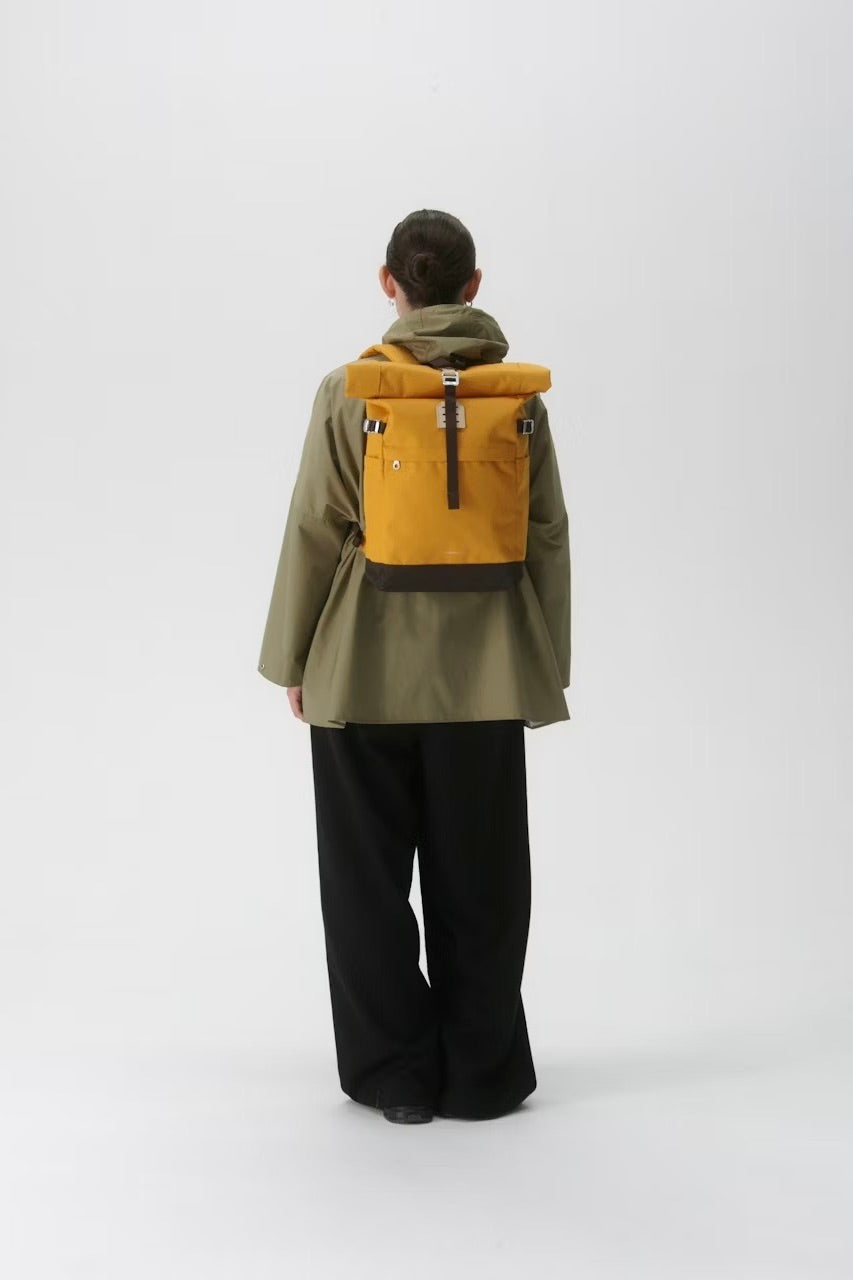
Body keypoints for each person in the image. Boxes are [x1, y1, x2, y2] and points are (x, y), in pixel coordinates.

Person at [257, 209, 571, 1124]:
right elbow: (545, 533)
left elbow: (315, 525)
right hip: (488, 671)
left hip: (361, 667)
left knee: (365, 885)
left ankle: (394, 1074)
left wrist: (292, 657)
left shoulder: (349, 388)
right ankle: (481, 1076)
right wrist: (543, 661)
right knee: (484, 881)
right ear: (473, 286)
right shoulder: (516, 397)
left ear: (388, 283)